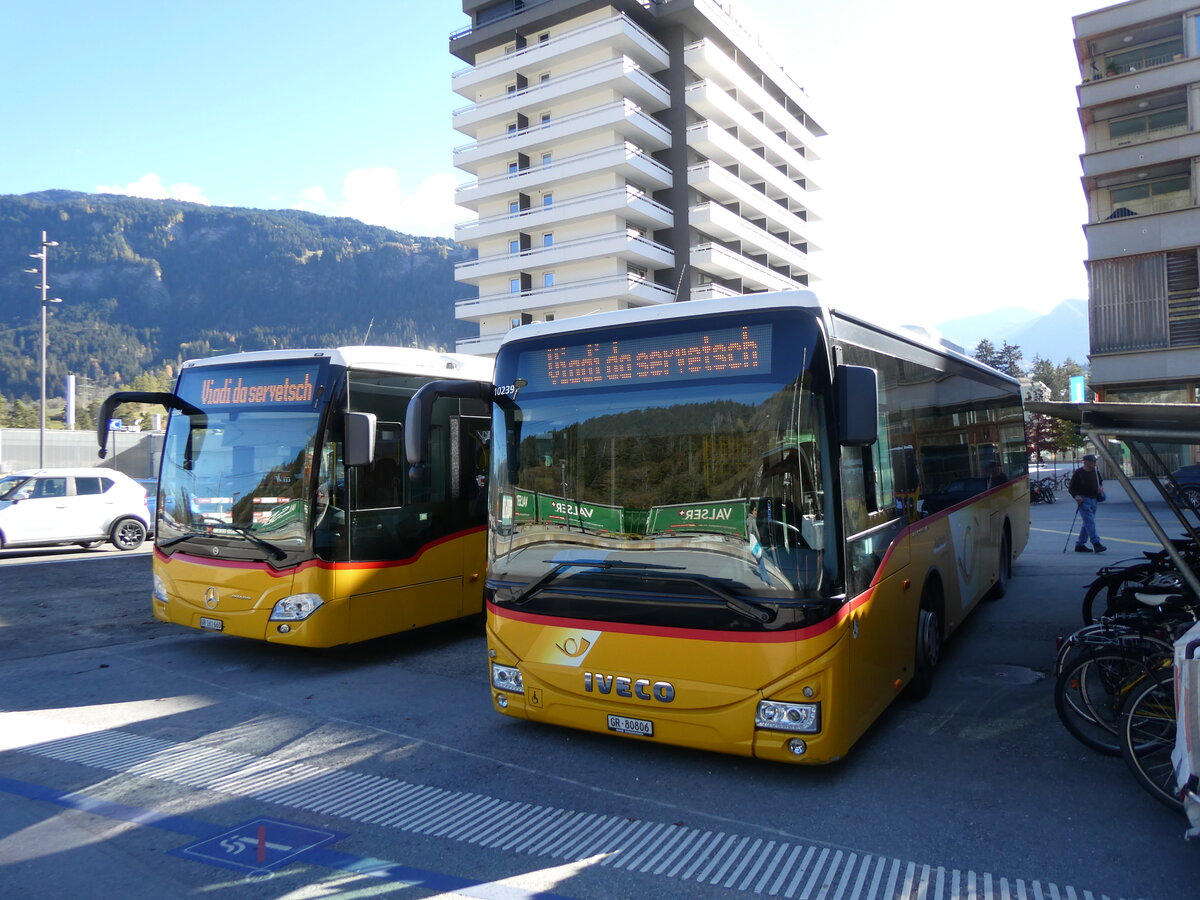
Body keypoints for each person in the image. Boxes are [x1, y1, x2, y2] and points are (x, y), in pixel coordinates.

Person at [1068, 453, 1106, 553]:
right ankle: (1096, 543)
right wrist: (1076, 496)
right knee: (1090, 521)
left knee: (1087, 523)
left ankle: (1080, 545)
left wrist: (1100, 488)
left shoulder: (1095, 471)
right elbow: (1071, 487)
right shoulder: (1079, 472)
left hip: (1094, 499)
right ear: (1086, 462)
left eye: (1094, 461)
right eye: (1092, 461)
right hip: (1083, 500)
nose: (1094, 463)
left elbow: (1100, 482)